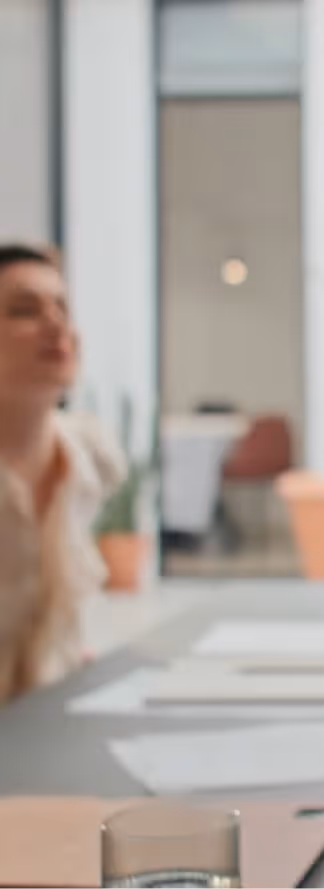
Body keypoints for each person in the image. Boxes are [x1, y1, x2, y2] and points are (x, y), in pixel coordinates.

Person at [0, 244, 125, 702]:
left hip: (49, 730)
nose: (56, 325)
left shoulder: (92, 455)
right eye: (23, 310)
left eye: (62, 307)